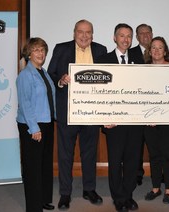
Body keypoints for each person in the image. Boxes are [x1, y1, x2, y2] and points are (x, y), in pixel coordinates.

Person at [48, 19, 107, 209]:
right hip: (68, 112)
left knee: (89, 153)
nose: (84, 36)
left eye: (88, 32)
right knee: (65, 154)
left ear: (92, 34)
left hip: (91, 112)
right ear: (74, 33)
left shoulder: (100, 50)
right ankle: (65, 193)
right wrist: (61, 80)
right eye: (80, 32)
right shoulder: (61, 49)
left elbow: (109, 78)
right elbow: (51, 74)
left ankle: (89, 189)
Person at [95, 23, 144, 212]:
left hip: (135, 121)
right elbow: (97, 93)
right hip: (113, 122)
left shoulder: (139, 59)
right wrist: (103, 117)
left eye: (129, 36)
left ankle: (128, 195)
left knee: (132, 161)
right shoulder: (102, 60)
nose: (126, 39)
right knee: (115, 161)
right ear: (114, 38)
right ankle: (118, 198)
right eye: (122, 35)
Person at [16, 37, 56, 212]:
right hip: (32, 126)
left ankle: (43, 200)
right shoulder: (25, 74)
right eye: (36, 50)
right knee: (33, 168)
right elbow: (25, 103)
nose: (40, 53)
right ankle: (33, 207)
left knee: (45, 165)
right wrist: (34, 128)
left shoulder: (43, 72)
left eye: (43, 50)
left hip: (46, 122)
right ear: (29, 54)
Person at [143, 36, 169, 204]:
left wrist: (160, 115)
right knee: (154, 155)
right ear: (149, 51)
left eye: (160, 47)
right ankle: (156, 188)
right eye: (153, 47)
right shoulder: (143, 70)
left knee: (168, 155)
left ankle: (168, 190)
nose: (156, 51)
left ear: (165, 51)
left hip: (168, 121)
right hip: (149, 121)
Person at [128, 23, 153, 186]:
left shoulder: (158, 51)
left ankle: (159, 172)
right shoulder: (129, 53)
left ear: (152, 34)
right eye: (141, 34)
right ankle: (137, 173)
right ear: (137, 37)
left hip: (154, 107)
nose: (145, 36)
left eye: (148, 33)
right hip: (135, 108)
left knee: (154, 143)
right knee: (136, 144)